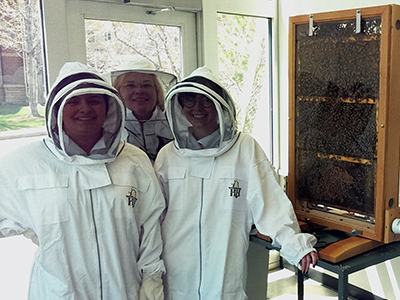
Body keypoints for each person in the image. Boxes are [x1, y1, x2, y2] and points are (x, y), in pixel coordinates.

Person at [0, 62, 166, 300]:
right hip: (59, 292)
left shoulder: (134, 160)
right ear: (56, 109)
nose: (85, 108)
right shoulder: (26, 163)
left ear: (109, 107)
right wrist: (32, 223)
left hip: (124, 289)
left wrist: (152, 281)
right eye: (73, 101)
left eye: (94, 100)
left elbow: (150, 229)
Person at [154, 66, 318, 300]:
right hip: (176, 270)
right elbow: (154, 216)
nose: (197, 108)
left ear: (221, 105)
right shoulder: (168, 155)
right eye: (189, 101)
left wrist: (296, 246)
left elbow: (269, 203)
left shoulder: (244, 149)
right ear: (179, 106)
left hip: (223, 269)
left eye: (206, 100)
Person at [110, 59, 177, 161]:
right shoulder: (109, 127)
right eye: (130, 85)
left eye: (146, 85)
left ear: (157, 90)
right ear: (118, 91)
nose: (139, 91)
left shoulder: (176, 124)